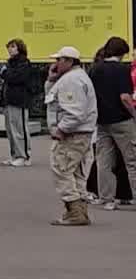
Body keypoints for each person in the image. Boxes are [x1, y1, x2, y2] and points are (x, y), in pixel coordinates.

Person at [46, 46, 97, 227]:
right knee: (76, 173)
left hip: (72, 134)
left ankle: (74, 211)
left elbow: (75, 112)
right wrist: (52, 79)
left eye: (59, 60)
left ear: (69, 61)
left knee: (61, 169)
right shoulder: (76, 77)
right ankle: (81, 211)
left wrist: (61, 129)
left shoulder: (71, 80)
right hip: (82, 134)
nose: (55, 64)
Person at [87, 37, 136, 205]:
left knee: (104, 161)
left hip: (102, 120)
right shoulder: (122, 69)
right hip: (122, 121)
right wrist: (134, 114)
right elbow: (125, 98)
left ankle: (106, 198)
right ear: (122, 53)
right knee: (132, 160)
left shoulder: (95, 69)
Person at [0, 39, 38, 167]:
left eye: (13, 47)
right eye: (9, 47)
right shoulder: (10, 63)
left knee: (20, 129)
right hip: (8, 100)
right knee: (11, 130)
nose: (10, 49)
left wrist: (4, 73)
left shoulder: (24, 63)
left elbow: (16, 78)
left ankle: (24, 156)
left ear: (20, 48)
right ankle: (15, 155)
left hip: (19, 100)